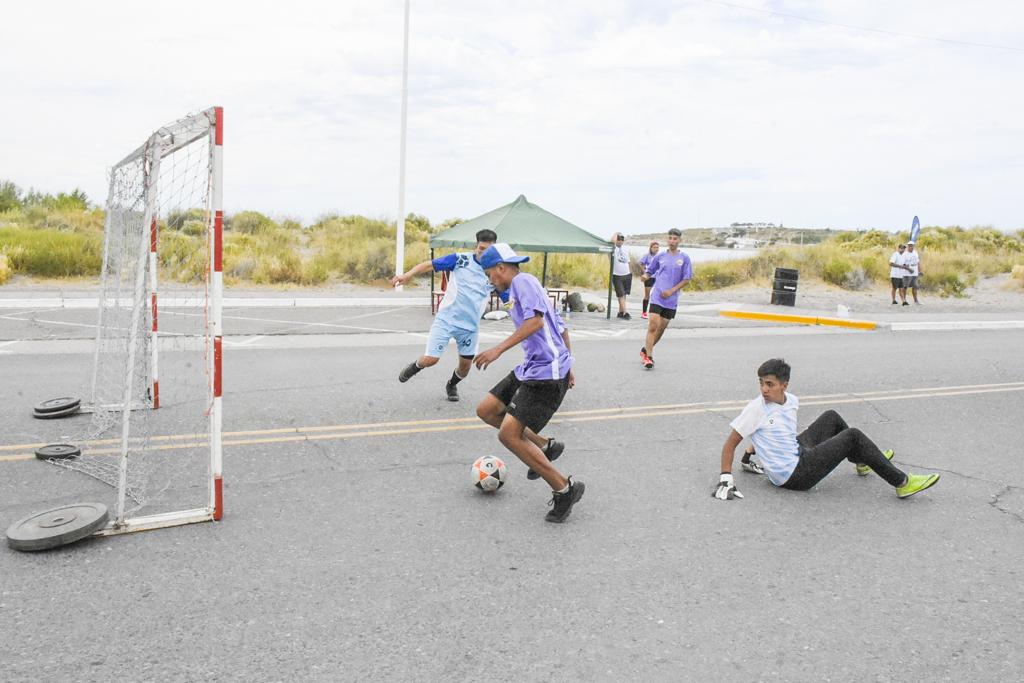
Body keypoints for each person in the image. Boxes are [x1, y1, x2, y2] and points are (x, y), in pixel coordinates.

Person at [712, 358, 940, 501]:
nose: (764, 389)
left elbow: (771, 434)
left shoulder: (791, 401)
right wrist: (726, 479)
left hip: (796, 452)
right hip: (793, 475)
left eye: (769, 384)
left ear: (784, 385)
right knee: (852, 436)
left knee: (831, 417)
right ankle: (902, 483)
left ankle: (863, 461)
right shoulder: (756, 409)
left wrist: (749, 455)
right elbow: (730, 443)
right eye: (761, 383)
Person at [473, 243, 584, 523]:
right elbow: (559, 326)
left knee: (509, 435)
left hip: (546, 373)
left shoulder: (523, 281)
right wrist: (569, 361)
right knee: (487, 410)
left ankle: (564, 488)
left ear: (500, 268)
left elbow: (536, 323)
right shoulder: (525, 288)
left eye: (490, 274)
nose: (490, 280)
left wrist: (497, 349)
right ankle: (544, 445)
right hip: (532, 367)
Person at [390, 229, 498, 402]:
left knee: (464, 370)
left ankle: (451, 384)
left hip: (470, 328)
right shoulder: (461, 260)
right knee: (431, 359)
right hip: (447, 319)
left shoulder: (495, 271)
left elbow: (510, 295)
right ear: (475, 247)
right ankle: (416, 366)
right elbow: (429, 265)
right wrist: (407, 275)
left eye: (489, 250)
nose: (484, 253)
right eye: (481, 248)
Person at [640, 228, 692, 370]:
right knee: (653, 325)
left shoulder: (685, 258)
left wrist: (671, 291)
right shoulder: (660, 255)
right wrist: (645, 276)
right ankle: (649, 357)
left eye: (675, 239)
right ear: (667, 240)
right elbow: (650, 270)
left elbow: (687, 279)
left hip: (671, 299)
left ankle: (645, 350)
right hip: (657, 295)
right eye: (670, 238)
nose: (672, 241)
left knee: (661, 329)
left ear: (679, 240)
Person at [611, 232, 632, 319]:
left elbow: (628, 262)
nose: (620, 241)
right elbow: (612, 240)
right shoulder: (613, 249)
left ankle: (620, 312)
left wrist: (630, 273)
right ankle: (625, 312)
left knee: (624, 295)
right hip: (617, 275)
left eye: (621, 239)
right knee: (620, 294)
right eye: (618, 239)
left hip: (626, 274)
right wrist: (616, 233)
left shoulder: (625, 250)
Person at [638, 240, 660, 319]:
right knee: (647, 296)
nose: (656, 249)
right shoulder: (647, 256)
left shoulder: (660, 256)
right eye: (654, 247)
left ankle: (655, 313)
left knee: (656, 295)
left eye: (657, 247)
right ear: (650, 248)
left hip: (657, 278)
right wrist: (645, 272)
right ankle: (644, 313)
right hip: (649, 278)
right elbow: (640, 263)